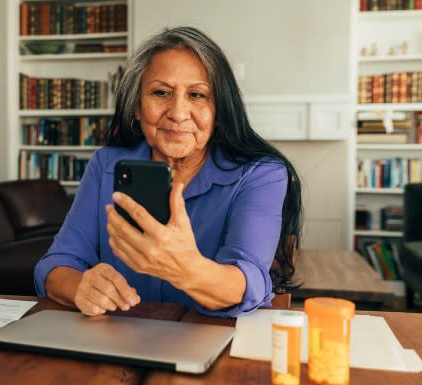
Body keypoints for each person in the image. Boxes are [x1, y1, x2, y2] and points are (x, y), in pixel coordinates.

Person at [33, 27, 302, 318]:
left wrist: (186, 268)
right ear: (136, 106)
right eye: (161, 93)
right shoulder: (105, 165)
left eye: (197, 95)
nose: (178, 112)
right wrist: (80, 287)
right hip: (118, 340)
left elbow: (248, 281)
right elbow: (56, 264)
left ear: (220, 110)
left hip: (215, 342)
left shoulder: (261, 174)